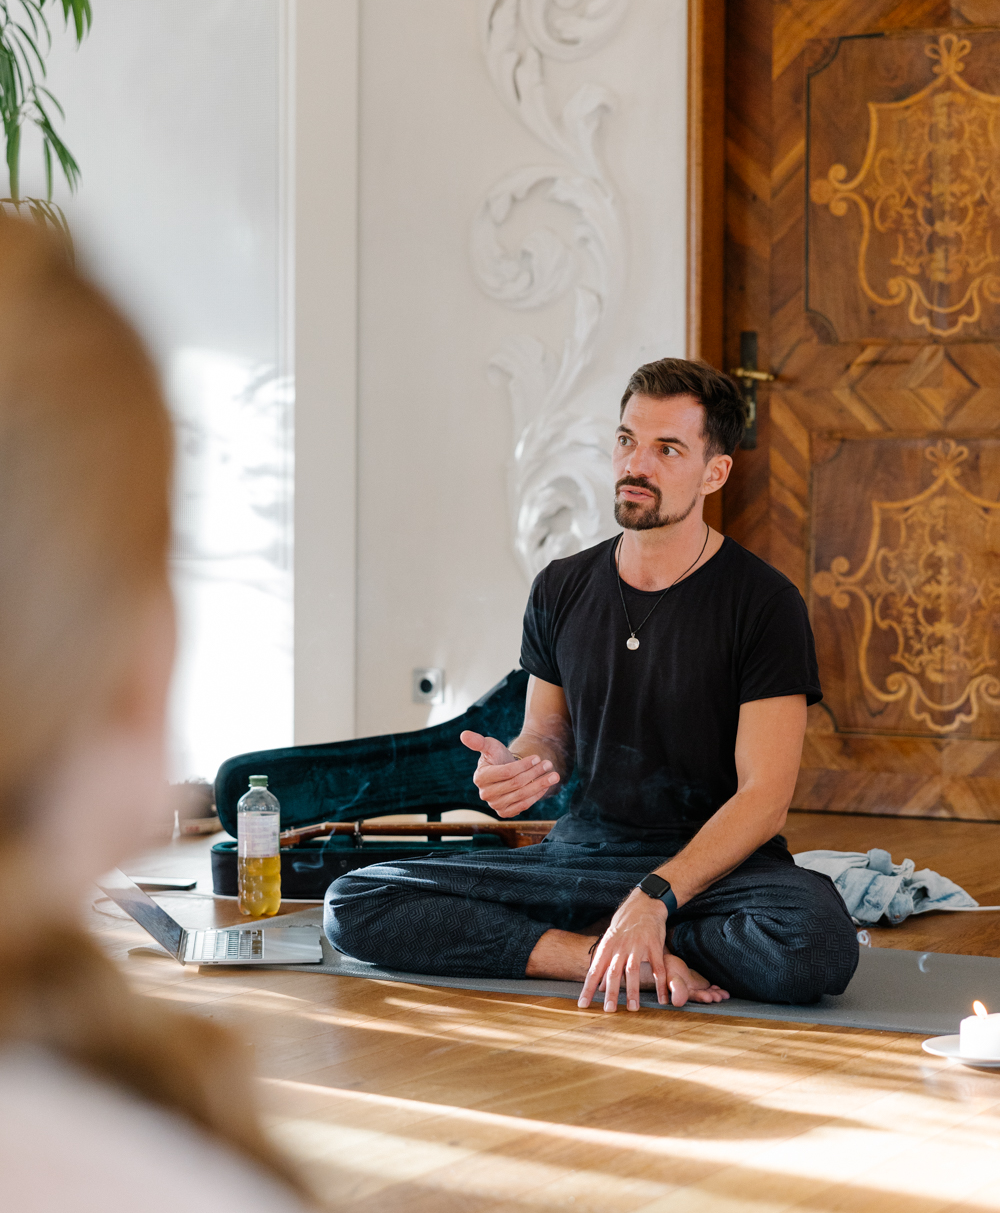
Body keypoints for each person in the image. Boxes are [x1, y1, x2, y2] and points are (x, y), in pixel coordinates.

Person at [0, 220, 566, 1213]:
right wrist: (529, 773)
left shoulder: (750, 611)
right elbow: (536, 744)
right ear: (135, 664)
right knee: (367, 902)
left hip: (664, 863)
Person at [326, 358, 859, 1014]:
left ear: (714, 473)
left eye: (667, 449)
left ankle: (630, 934)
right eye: (627, 440)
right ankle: (597, 957)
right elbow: (547, 731)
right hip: (579, 860)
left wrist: (655, 897)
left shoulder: (764, 603)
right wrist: (524, 766)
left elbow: (765, 799)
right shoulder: (560, 586)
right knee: (354, 901)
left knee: (815, 945)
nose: (637, 464)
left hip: (714, 872)